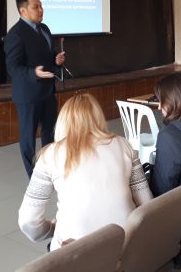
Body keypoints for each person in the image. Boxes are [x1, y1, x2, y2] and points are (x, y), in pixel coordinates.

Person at [18, 94, 153, 251]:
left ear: (63, 121)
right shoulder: (124, 144)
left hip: (76, 251)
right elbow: (146, 202)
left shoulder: (50, 155)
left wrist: (51, 230)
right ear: (99, 118)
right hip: (126, 244)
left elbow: (28, 221)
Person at [4, 0, 66, 177]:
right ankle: (33, 176)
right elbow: (13, 67)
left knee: (50, 132)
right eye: (35, 7)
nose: (41, 10)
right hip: (28, 95)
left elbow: (47, 55)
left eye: (41, 6)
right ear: (23, 11)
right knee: (28, 138)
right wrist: (33, 73)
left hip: (47, 91)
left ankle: (50, 167)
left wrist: (56, 60)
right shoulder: (15, 34)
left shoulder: (44, 28)